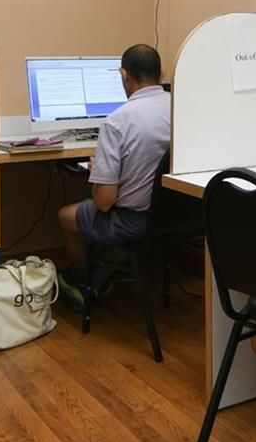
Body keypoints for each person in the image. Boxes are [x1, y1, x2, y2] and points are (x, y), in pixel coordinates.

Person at [56, 44, 171, 311]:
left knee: (65, 216)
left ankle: (85, 281)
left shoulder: (117, 122)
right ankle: (103, 274)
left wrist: (100, 170)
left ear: (124, 75)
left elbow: (105, 203)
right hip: (175, 217)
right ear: (161, 74)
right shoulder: (180, 108)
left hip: (134, 222)